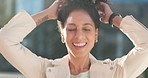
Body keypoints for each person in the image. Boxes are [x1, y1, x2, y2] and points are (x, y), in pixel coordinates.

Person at [0, 0, 148, 78]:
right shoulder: (45, 71)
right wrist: (48, 13)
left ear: (95, 35)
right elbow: (4, 40)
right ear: (62, 35)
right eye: (71, 29)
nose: (78, 36)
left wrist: (114, 19)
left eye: (86, 29)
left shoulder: (115, 73)